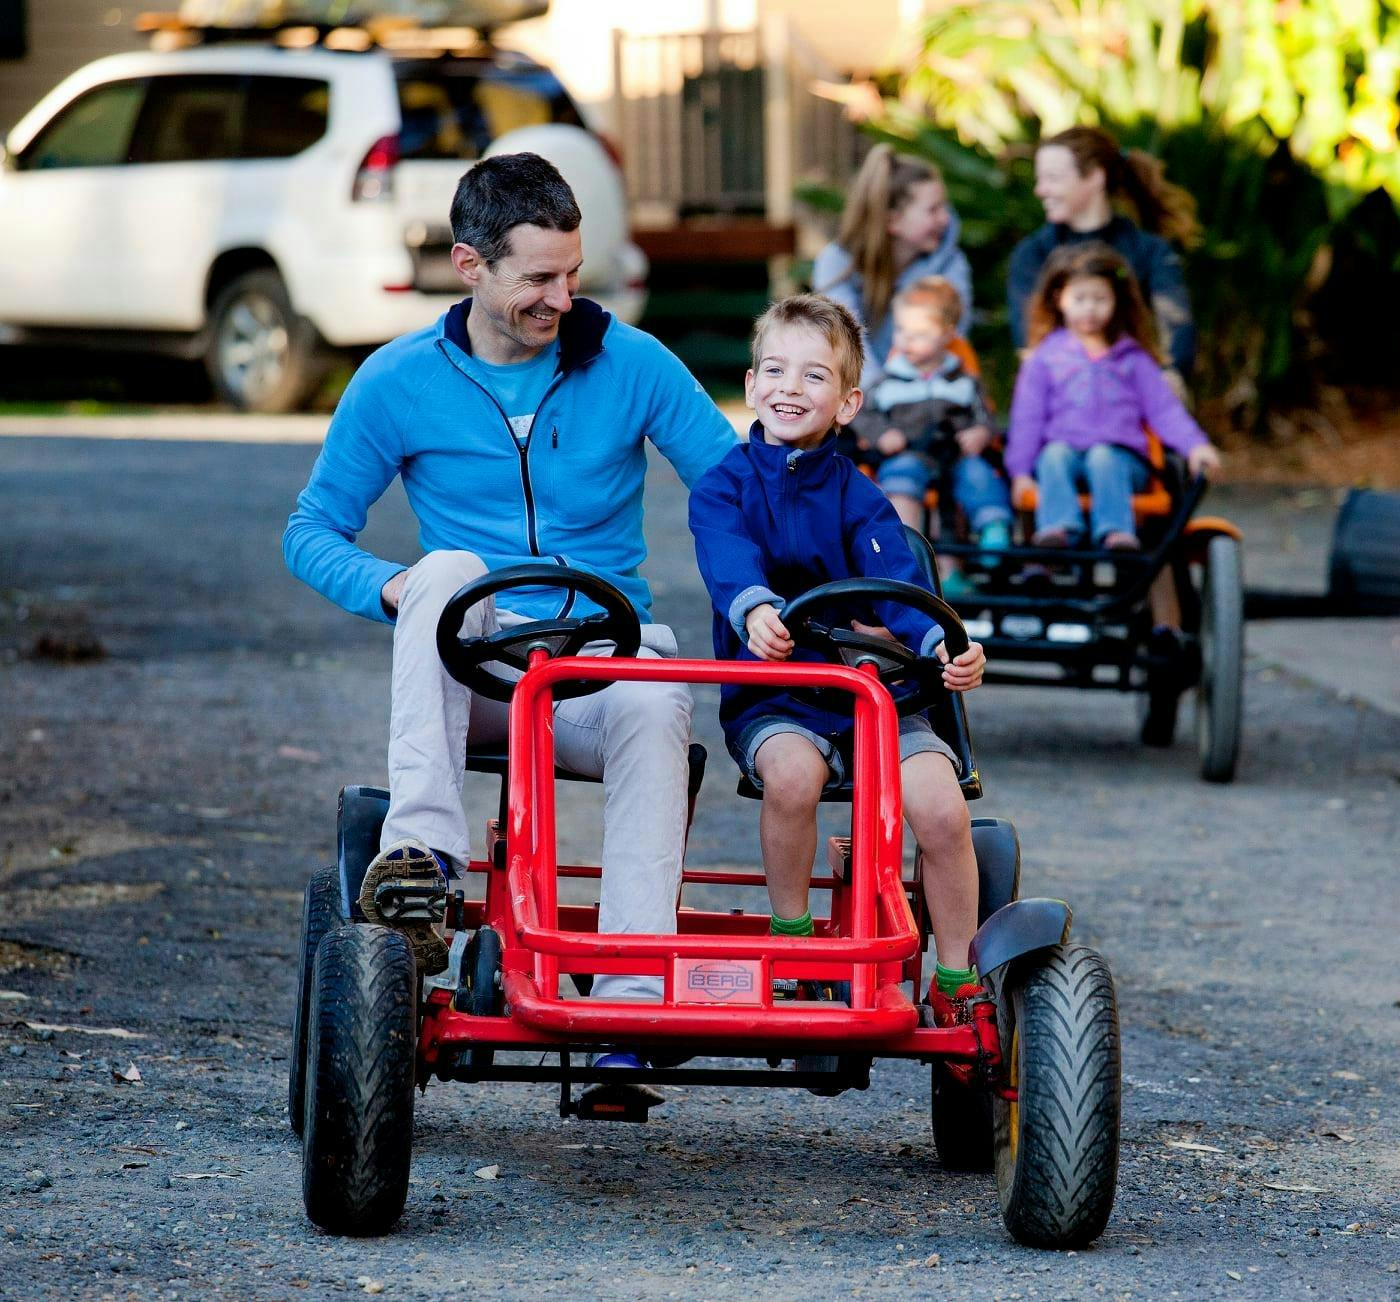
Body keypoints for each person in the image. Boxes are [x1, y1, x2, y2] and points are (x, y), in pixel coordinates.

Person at [282, 153, 737, 1016]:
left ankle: (631, 995)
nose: (561, 299)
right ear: (469, 265)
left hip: (599, 667)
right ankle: (420, 861)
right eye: (536, 279)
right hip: (477, 668)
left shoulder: (632, 363)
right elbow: (309, 532)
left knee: (656, 693)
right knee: (447, 572)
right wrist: (397, 589)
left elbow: (736, 493)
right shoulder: (397, 379)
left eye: (572, 274)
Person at [685, 294, 996, 1075]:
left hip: (872, 694)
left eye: (814, 376)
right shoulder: (722, 488)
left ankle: (957, 978)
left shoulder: (860, 496)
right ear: (751, 385)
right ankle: (793, 939)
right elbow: (727, 561)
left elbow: (899, 587)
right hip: (775, 694)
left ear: (848, 402)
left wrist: (941, 642)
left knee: (941, 810)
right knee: (793, 778)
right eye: (776, 371)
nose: (791, 388)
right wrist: (753, 607)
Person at [1005, 243, 1221, 550]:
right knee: (1054, 454)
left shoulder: (1133, 358)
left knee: (1103, 457)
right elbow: (1028, 419)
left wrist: (1195, 446)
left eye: (1100, 299)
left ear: (1116, 301)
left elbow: (1164, 410)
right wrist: (1021, 472)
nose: (1090, 309)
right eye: (1080, 298)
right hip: (1063, 459)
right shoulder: (1044, 358)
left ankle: (1116, 531)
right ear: (1058, 298)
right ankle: (1059, 529)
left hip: (1123, 461)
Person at [848, 277, 1011, 575]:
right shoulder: (888, 381)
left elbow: (984, 416)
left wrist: (980, 432)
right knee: (902, 477)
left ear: (948, 334)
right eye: (901, 330)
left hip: (954, 456)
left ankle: (988, 532)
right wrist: (881, 433)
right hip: (908, 453)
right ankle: (905, 553)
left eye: (920, 334)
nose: (906, 341)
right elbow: (860, 413)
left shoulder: (962, 380)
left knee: (978, 474)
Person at [1007, 125, 1199, 378]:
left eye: (1053, 178)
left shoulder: (1150, 251)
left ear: (1096, 177)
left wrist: (1166, 379)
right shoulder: (1033, 254)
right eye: (1040, 180)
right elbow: (1029, 342)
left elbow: (1177, 332)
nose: (1040, 190)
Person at [812, 145, 972, 387]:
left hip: (931, 391)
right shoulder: (838, 263)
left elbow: (950, 337)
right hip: (860, 396)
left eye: (943, 207)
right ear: (893, 221)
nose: (945, 218)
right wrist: (882, 399)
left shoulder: (950, 263)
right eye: (933, 209)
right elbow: (846, 344)